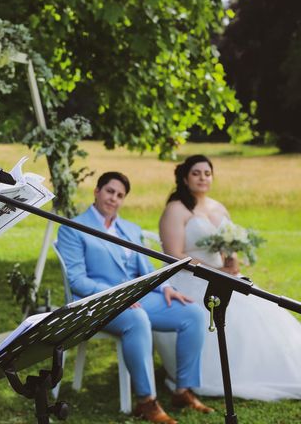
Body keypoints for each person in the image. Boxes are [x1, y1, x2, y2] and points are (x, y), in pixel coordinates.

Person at [56, 172, 212, 424]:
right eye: (109, 191)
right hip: (99, 303)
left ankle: (182, 390)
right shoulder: (74, 228)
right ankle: (146, 402)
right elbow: (76, 280)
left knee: (192, 313)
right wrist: (119, 296)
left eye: (120, 195)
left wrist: (165, 288)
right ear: (96, 191)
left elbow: (146, 269)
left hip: (138, 299)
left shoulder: (130, 229)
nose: (113, 198)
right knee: (137, 319)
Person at [155, 154, 301, 400]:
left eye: (207, 173)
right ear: (184, 177)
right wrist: (216, 271)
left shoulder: (217, 207)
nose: (203, 178)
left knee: (262, 310)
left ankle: (271, 369)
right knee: (225, 314)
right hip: (190, 277)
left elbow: (228, 245)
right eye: (196, 173)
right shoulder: (176, 209)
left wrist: (231, 260)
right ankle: (220, 375)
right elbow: (174, 255)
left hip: (224, 275)